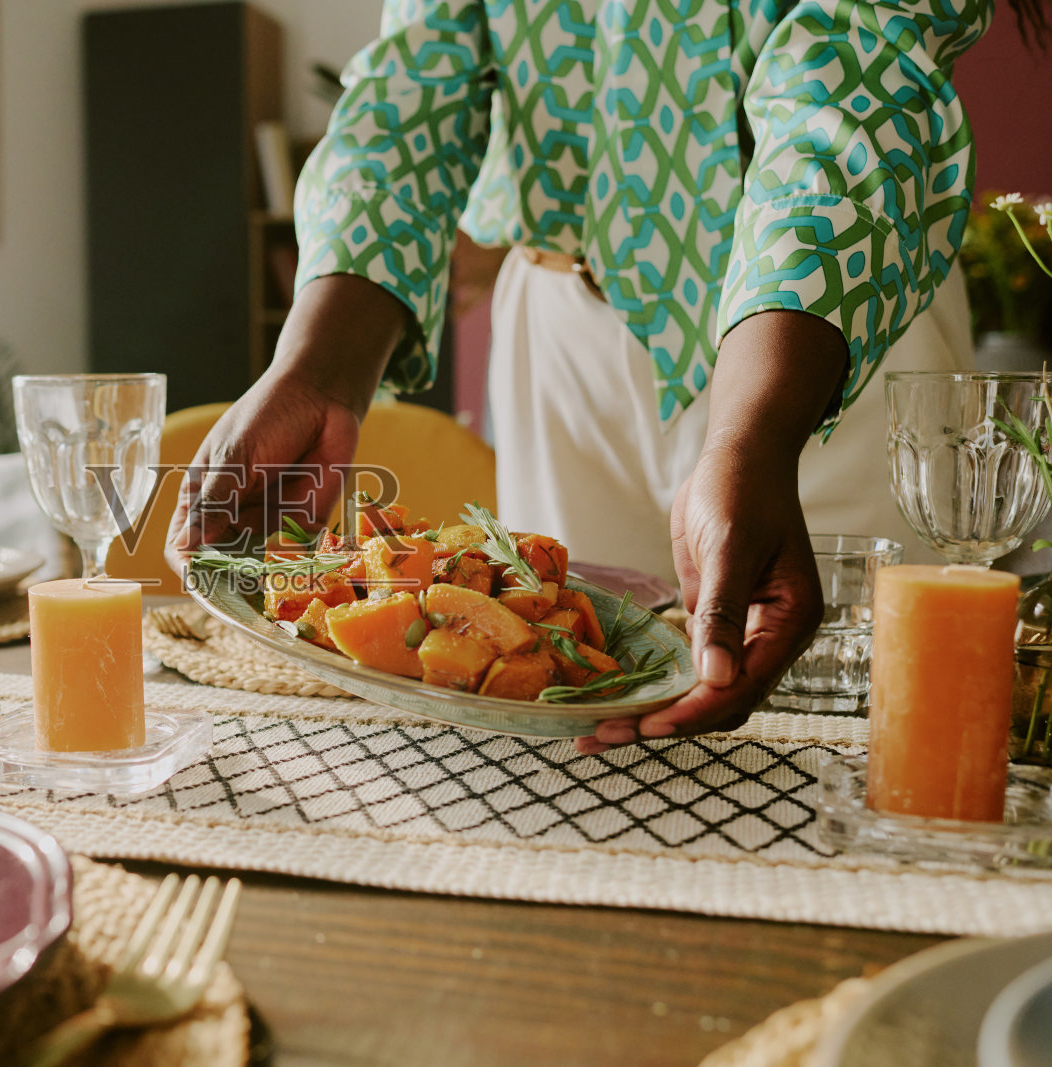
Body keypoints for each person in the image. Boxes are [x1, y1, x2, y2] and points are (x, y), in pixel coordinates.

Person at [167, 0, 1045, 752]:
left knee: (872, 745)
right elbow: (412, 85)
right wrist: (314, 368)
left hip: (823, 346)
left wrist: (757, 426)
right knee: (564, 750)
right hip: (563, 345)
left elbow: (857, 65)